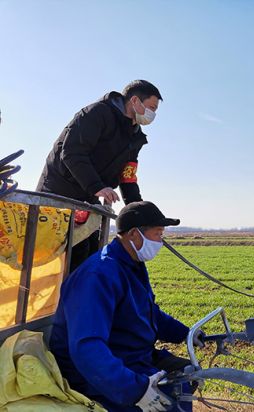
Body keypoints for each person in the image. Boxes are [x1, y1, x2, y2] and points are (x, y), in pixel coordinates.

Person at [49, 201, 203, 412]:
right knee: (171, 398)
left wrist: (186, 333)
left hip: (130, 354)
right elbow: (87, 348)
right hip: (93, 375)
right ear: (133, 234)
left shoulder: (131, 265)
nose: (161, 242)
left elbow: (148, 312)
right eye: (157, 234)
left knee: (186, 374)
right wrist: (135, 390)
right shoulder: (98, 275)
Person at [36, 80, 162, 272]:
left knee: (89, 256)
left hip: (89, 201)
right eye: (151, 108)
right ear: (135, 101)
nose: (153, 114)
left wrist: (140, 212)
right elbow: (72, 153)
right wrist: (97, 186)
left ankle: (84, 291)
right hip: (59, 194)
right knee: (60, 260)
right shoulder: (97, 114)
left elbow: (128, 176)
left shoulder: (135, 136)